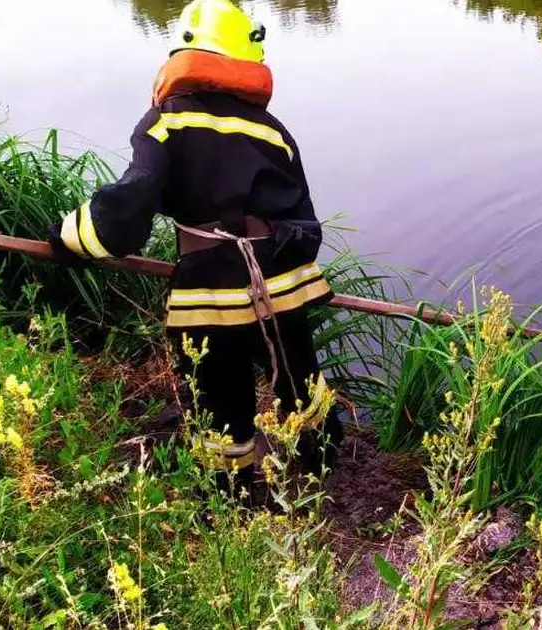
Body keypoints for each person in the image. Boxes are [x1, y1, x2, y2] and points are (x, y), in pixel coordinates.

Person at [49, 0, 342, 490]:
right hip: (286, 287)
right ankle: (323, 469)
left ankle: (233, 499)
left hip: (212, 293)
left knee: (220, 401)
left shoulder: (168, 121)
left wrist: (69, 238)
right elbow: (304, 219)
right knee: (300, 383)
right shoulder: (273, 131)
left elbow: (128, 206)